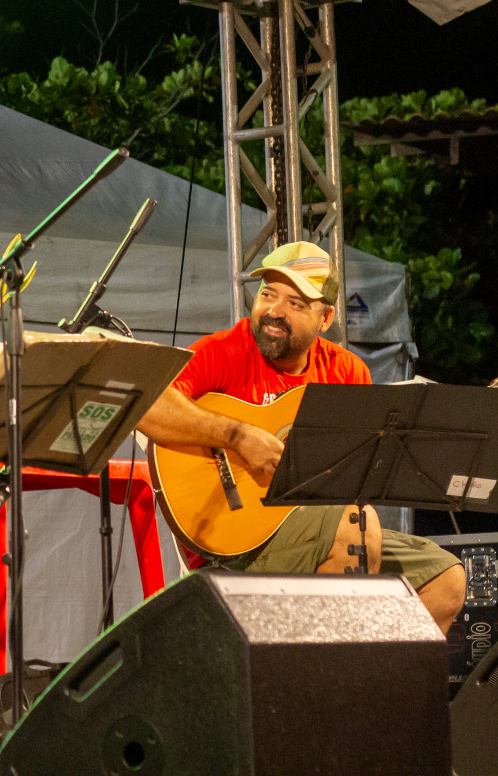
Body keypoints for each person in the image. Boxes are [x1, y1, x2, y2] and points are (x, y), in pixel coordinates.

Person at [137, 241, 465, 631]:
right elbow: (146, 403)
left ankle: (372, 683)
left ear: (325, 319)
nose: (274, 311)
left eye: (295, 304)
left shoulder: (346, 372)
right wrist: (237, 435)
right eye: (267, 295)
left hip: (326, 529)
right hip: (240, 545)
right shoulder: (223, 352)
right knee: (356, 526)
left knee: (445, 578)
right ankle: (332, 683)